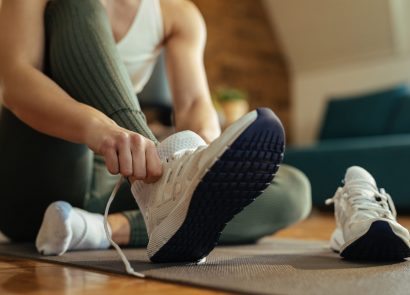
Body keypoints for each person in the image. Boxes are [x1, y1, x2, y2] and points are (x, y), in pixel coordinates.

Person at [0, 0, 311, 263]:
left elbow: (193, 105)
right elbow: (15, 82)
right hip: (37, 178)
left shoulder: (178, 14)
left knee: (295, 189)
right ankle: (157, 191)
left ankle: (102, 228)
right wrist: (100, 128)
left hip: (116, 183)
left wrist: (206, 160)